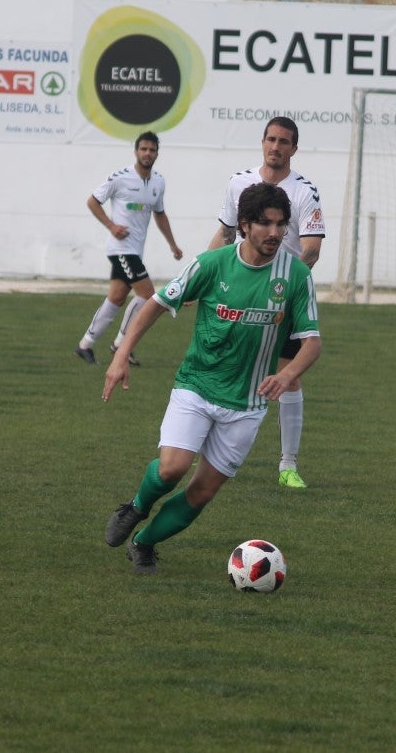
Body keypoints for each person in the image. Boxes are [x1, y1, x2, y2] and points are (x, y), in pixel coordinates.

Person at [102, 183, 321, 575]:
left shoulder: (296, 275)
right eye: (265, 224)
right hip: (197, 386)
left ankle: (144, 543)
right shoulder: (212, 264)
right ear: (244, 224)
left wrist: (287, 373)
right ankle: (136, 506)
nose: (274, 233)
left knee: (203, 490)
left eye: (281, 225)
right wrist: (120, 355)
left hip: (248, 404)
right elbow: (155, 303)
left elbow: (311, 343)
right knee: (171, 469)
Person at [208, 116, 324, 489]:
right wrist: (205, 277)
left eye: (284, 141)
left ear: (294, 148)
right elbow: (226, 233)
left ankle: (288, 465)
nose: (276, 147)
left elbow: (311, 248)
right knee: (226, 369)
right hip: (239, 293)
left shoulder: (305, 191)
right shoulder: (238, 182)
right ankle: (211, 453)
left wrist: (286, 284)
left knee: (290, 378)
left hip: (283, 298)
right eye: (271, 139)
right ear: (263, 142)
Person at [74, 131, 183, 366]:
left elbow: (160, 214)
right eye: (143, 149)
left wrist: (173, 245)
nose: (147, 153)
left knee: (116, 298)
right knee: (147, 294)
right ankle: (120, 346)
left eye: (152, 150)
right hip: (121, 248)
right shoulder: (120, 177)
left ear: (157, 153)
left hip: (135, 250)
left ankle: (84, 345)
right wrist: (111, 225)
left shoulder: (158, 182)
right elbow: (93, 201)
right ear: (136, 152)